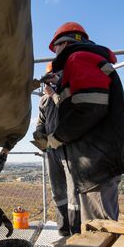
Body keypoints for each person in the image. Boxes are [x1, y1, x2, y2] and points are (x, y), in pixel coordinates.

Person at [45, 22, 124, 222]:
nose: (55, 54)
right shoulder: (83, 60)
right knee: (97, 226)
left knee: (99, 229)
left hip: (97, 162)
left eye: (56, 48)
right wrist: (57, 89)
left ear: (64, 43)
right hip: (96, 159)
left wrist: (58, 137)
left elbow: (89, 108)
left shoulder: (79, 58)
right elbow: (80, 100)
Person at [33, 63, 81, 236]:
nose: (49, 81)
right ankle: (63, 229)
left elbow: (70, 112)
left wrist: (54, 94)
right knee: (57, 190)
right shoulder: (44, 100)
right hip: (51, 150)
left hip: (69, 149)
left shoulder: (69, 92)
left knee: (73, 191)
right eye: (48, 77)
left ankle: (76, 231)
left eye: (53, 76)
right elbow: (41, 122)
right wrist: (39, 134)